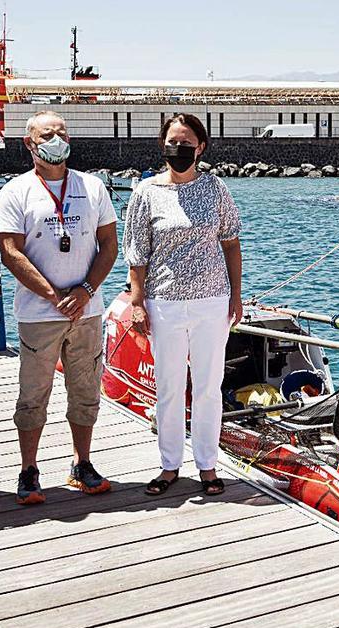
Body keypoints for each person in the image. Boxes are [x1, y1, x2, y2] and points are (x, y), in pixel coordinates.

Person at [0, 111, 118, 505]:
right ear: (30, 144)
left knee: (85, 390)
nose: (57, 138)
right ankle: (29, 469)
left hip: (87, 311)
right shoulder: (16, 191)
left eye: (62, 132)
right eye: (48, 134)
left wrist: (84, 290)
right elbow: (10, 251)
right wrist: (52, 294)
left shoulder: (92, 187)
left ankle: (82, 463)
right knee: (33, 395)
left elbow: (109, 245)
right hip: (38, 314)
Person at [123, 113, 243, 497]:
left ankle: (207, 464)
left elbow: (231, 242)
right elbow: (137, 252)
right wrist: (137, 301)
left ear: (201, 147)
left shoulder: (216, 188)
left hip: (212, 301)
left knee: (209, 385)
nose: (179, 149)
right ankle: (169, 464)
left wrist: (236, 296)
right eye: (173, 142)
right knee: (169, 386)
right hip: (164, 303)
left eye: (186, 142)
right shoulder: (146, 192)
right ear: (163, 145)